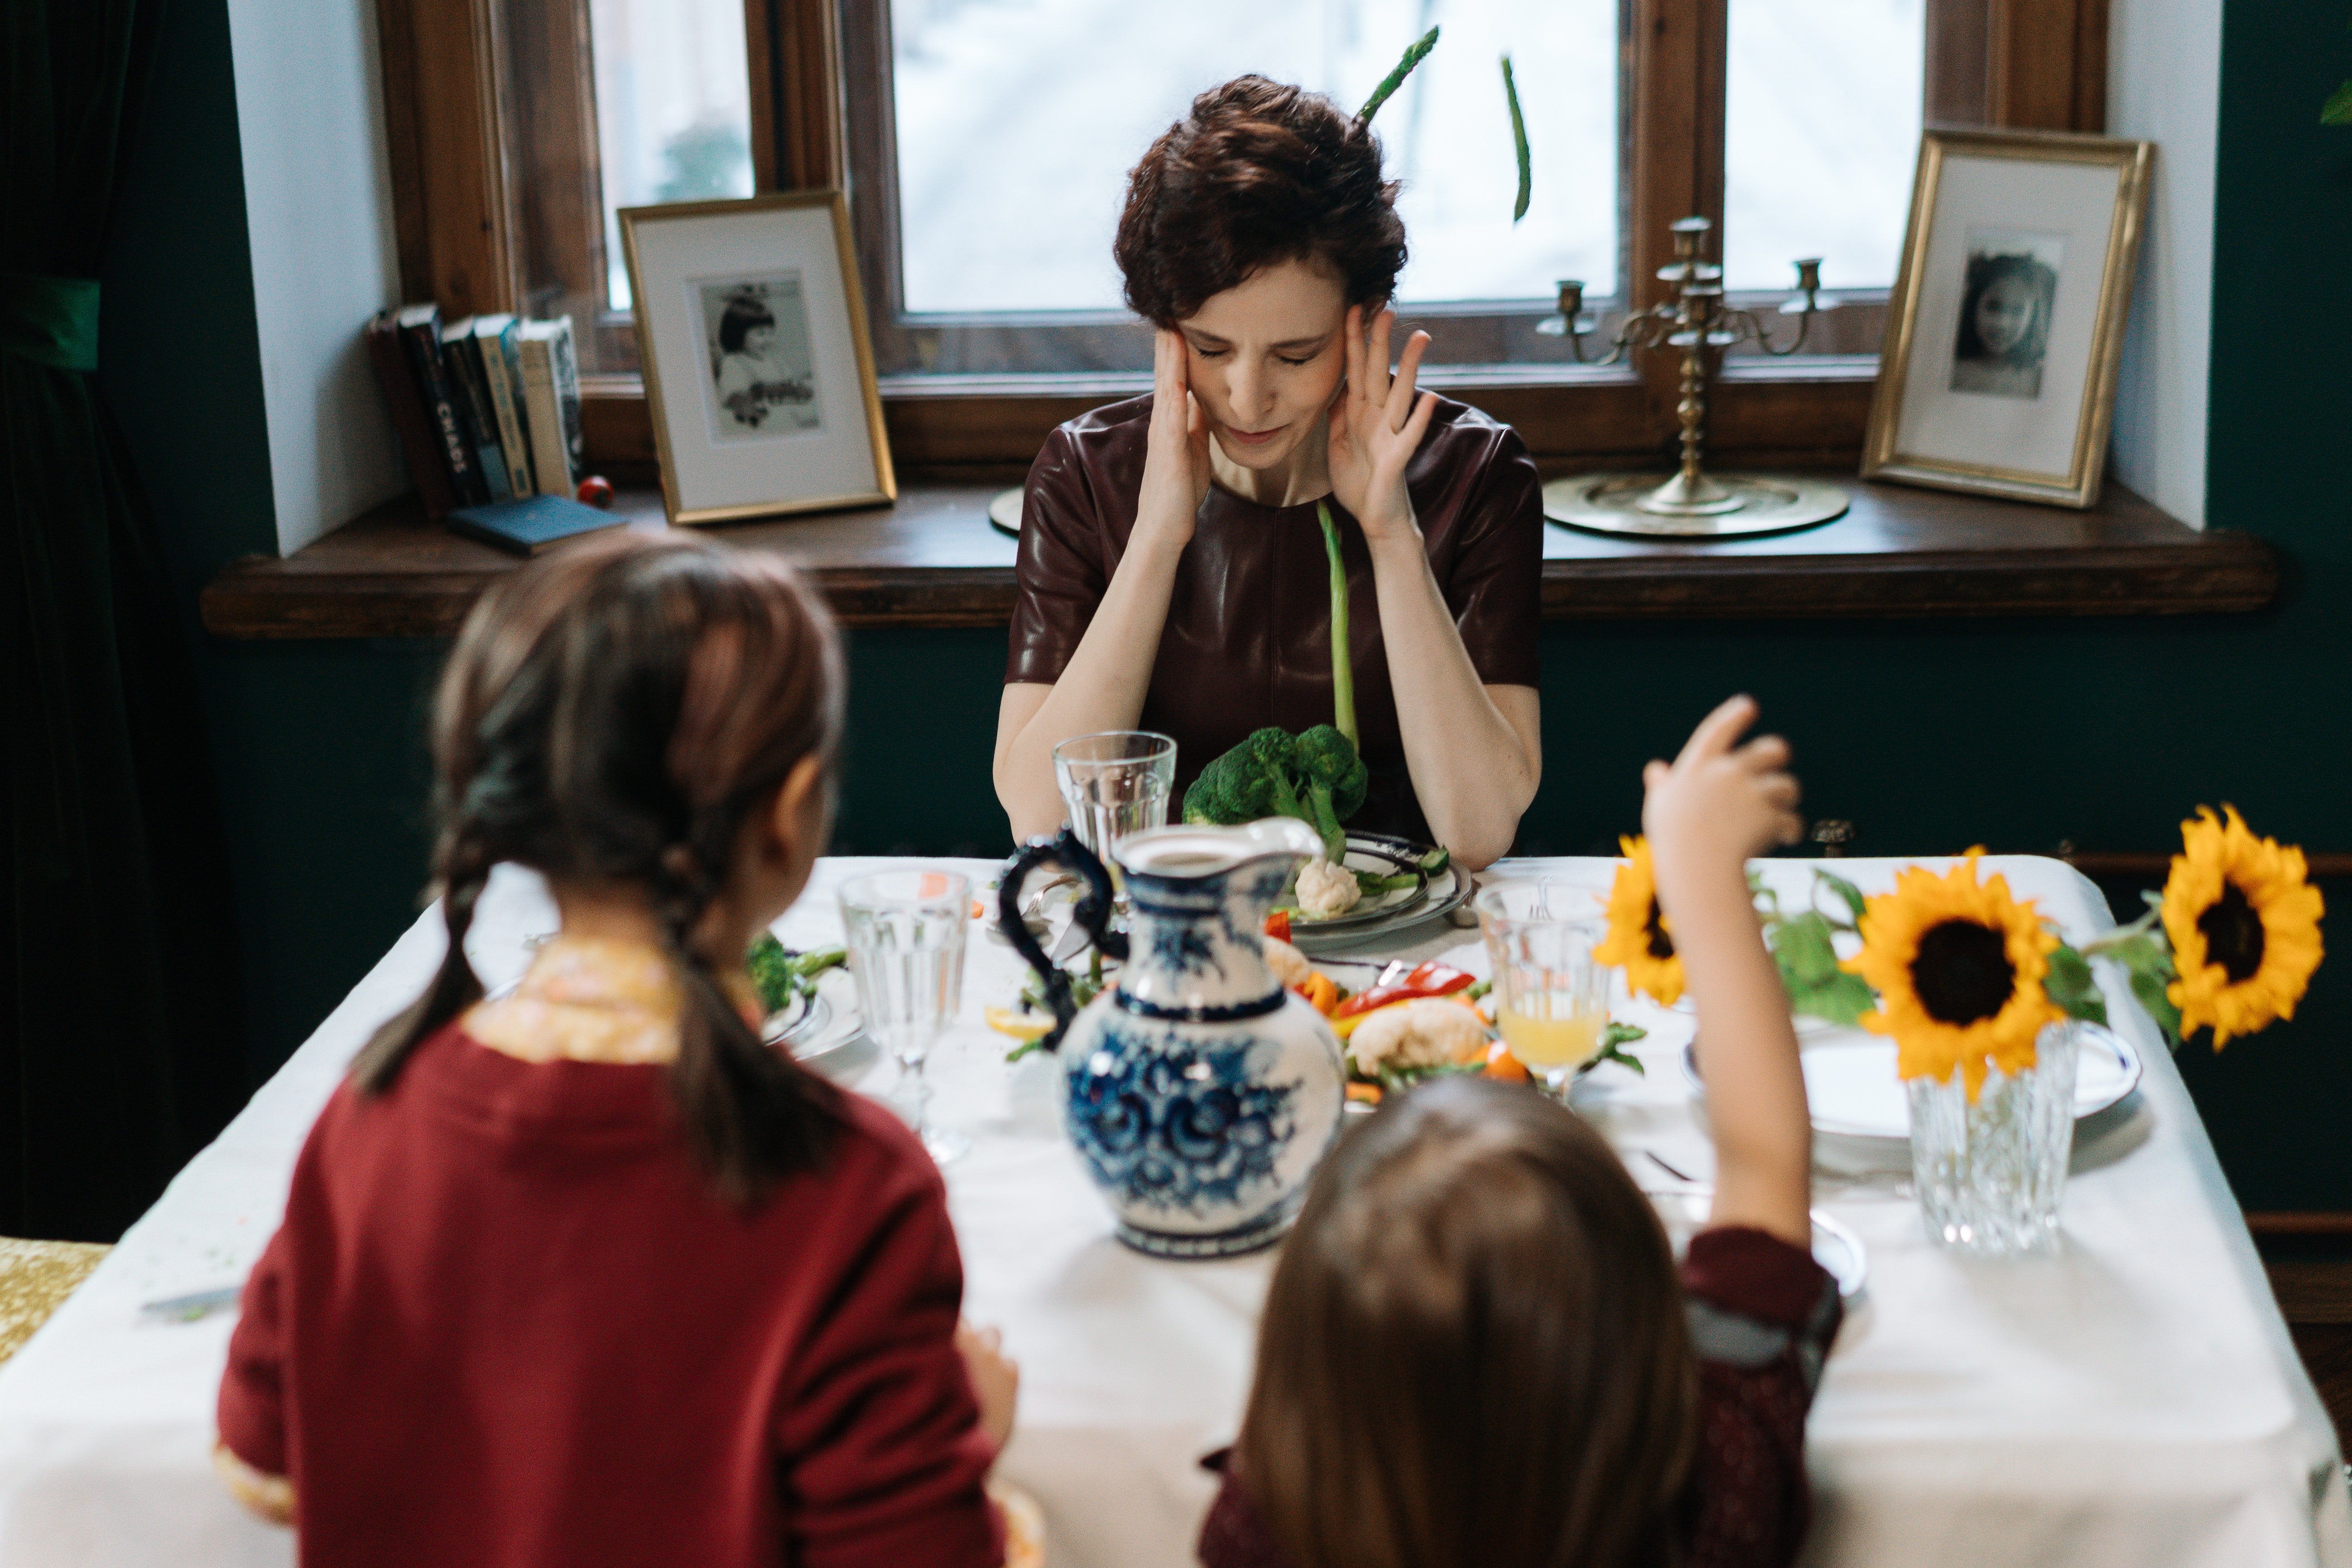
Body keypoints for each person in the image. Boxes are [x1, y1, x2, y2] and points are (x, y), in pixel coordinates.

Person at [212, 534, 1023, 1568]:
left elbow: (263, 1452)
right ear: (789, 814)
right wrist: (969, 1435)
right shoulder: (849, 1183)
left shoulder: (369, 1116)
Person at [1197, 695, 1836, 1568]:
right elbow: (1764, 1167)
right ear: (1650, 1339)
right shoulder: (1710, 1498)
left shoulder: (1266, 1524)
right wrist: (1700, 878)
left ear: (1299, 1368)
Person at [993, 76, 1543, 869]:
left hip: (1404, 957)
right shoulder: (1083, 472)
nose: (1248, 399)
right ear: (1165, 331)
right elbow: (1040, 819)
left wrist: (1391, 533)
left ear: (1366, 325)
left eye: (1296, 355)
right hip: (1168, 939)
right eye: (1212, 350)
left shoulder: (1480, 473)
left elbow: (1479, 830)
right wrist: (1157, 533)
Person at [1949, 250, 2056, 399]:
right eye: (1993, 307)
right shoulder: (1951, 372)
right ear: (1974, 306)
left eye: (2017, 311)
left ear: (2032, 317)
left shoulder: (2042, 382)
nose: (2002, 324)